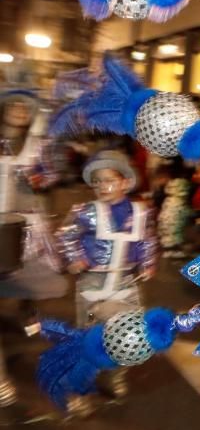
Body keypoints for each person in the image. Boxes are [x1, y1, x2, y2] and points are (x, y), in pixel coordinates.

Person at [56, 151, 158, 402]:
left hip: (125, 282)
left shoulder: (139, 212)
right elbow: (66, 235)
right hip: (93, 283)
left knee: (126, 332)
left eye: (109, 180)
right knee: (89, 330)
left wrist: (147, 263)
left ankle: (116, 374)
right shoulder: (85, 211)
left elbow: (147, 239)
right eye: (97, 181)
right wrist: (75, 258)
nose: (103, 186)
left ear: (125, 182)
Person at [0, 92, 68, 407]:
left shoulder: (38, 144)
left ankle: (27, 311)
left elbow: (54, 174)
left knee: (29, 273)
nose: (18, 111)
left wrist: (37, 176)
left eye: (23, 107)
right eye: (12, 105)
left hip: (27, 223)